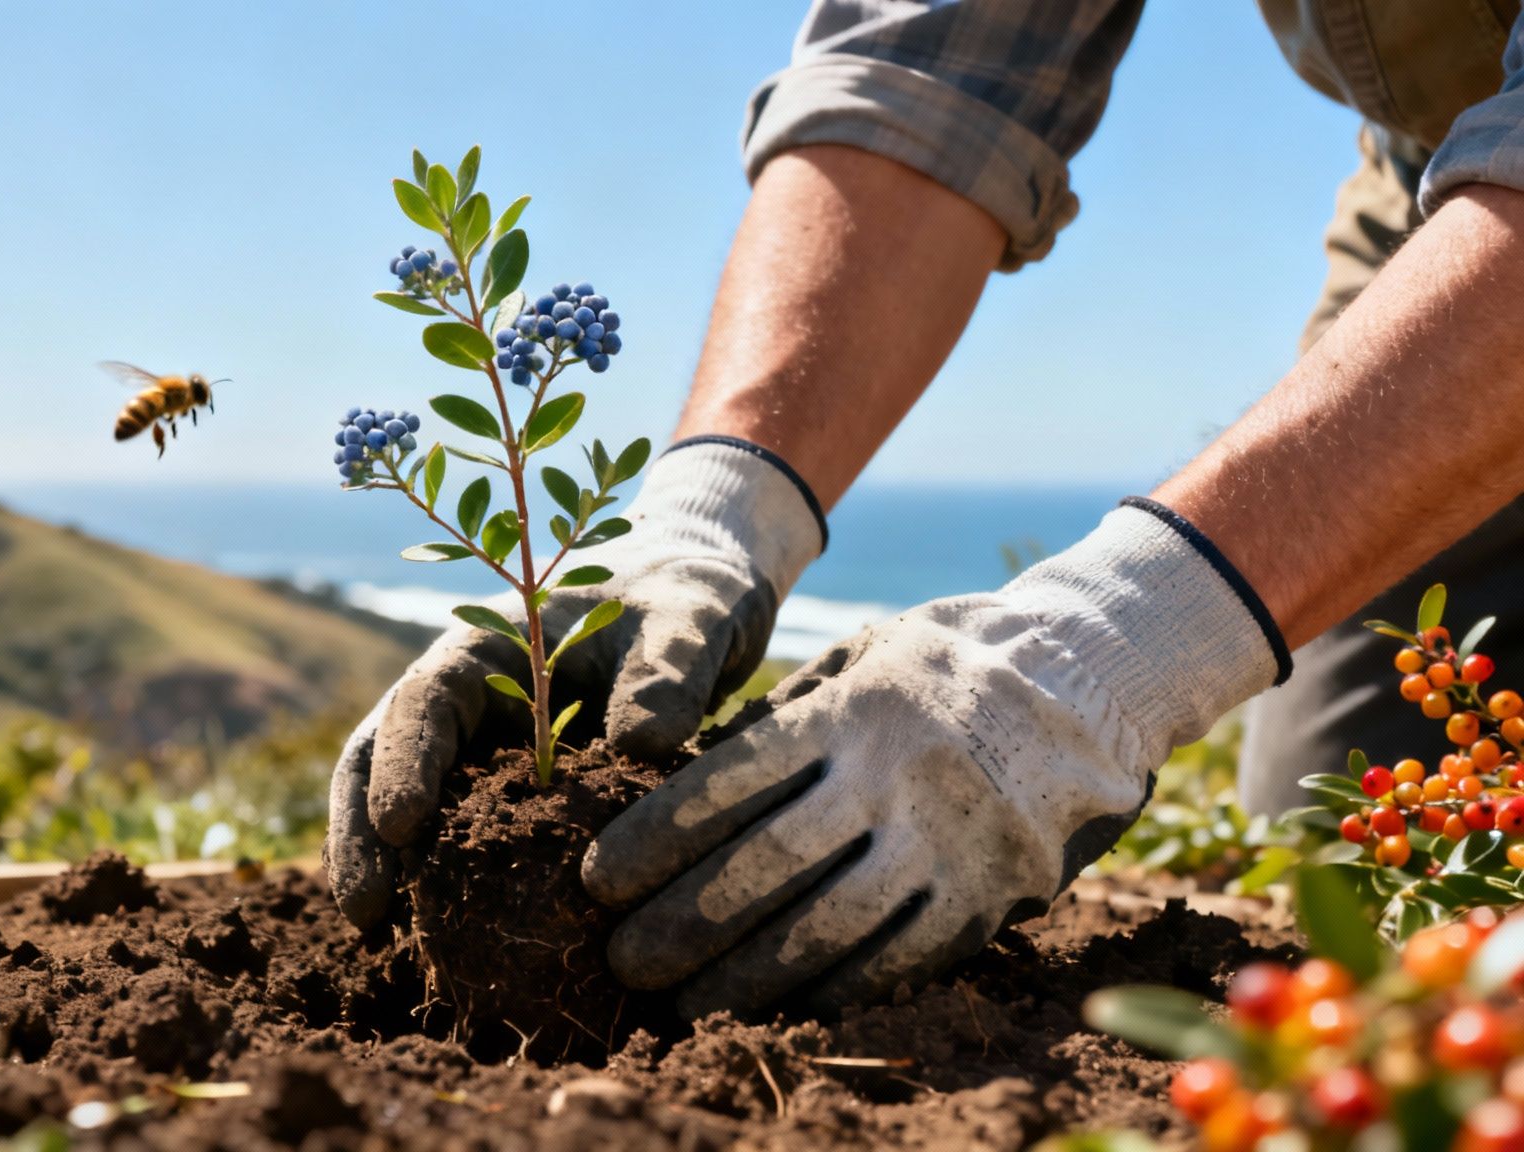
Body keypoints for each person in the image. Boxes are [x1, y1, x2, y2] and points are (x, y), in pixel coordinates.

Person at [325, 0, 1524, 1018]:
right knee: (1365, 892)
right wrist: (708, 514)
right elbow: (931, 66)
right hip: (1450, 208)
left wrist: (1107, 651)